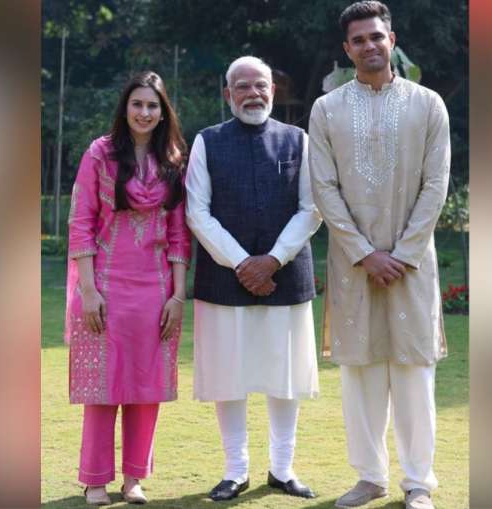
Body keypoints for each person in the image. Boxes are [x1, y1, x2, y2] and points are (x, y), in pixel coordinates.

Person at [307, 2, 451, 509]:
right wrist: (366, 254)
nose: (369, 45)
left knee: (413, 373)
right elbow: (323, 187)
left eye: (376, 36)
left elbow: (436, 185)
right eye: (358, 40)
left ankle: (418, 484)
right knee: (361, 374)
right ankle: (370, 477)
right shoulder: (326, 109)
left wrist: (403, 252)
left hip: (412, 266)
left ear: (392, 39)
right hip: (354, 266)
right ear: (347, 50)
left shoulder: (428, 104)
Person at [185, 56, 322, 501]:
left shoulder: (298, 140)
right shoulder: (207, 142)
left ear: (273, 90)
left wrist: (273, 260)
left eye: (260, 85)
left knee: (285, 376)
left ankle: (282, 469)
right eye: (241, 86)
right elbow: (196, 212)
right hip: (225, 279)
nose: (252, 93)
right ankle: (235, 470)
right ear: (228, 94)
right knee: (229, 375)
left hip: (286, 276)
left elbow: (312, 208)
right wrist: (244, 262)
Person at [64, 71, 191, 506]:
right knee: (102, 387)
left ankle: (134, 478)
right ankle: (95, 480)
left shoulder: (174, 159)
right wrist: (88, 290)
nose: (144, 112)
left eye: (152, 105)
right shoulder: (100, 154)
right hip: (104, 284)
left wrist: (177, 296)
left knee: (145, 386)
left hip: (154, 289)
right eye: (137, 104)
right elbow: (80, 221)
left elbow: (178, 234)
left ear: (163, 112)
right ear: (125, 108)